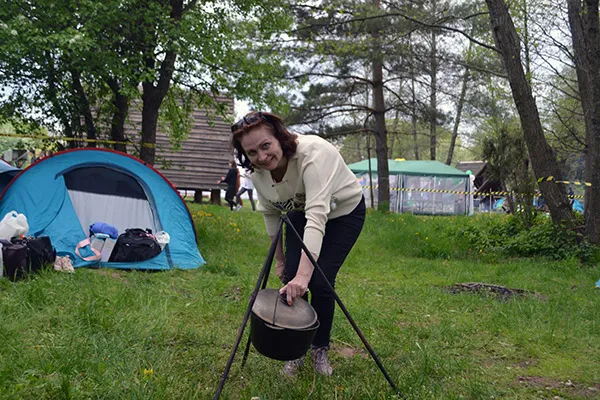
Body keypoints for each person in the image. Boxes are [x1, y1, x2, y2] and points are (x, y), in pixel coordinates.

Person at [231, 111, 366, 377]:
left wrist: (305, 276)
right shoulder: (259, 173)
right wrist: (281, 261)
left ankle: (319, 348)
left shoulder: (313, 155)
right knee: (291, 278)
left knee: (320, 280)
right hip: (300, 211)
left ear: (279, 137)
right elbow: (271, 214)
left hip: (343, 212)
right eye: (252, 152)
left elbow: (317, 216)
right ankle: (295, 350)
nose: (262, 157)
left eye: (266, 145)